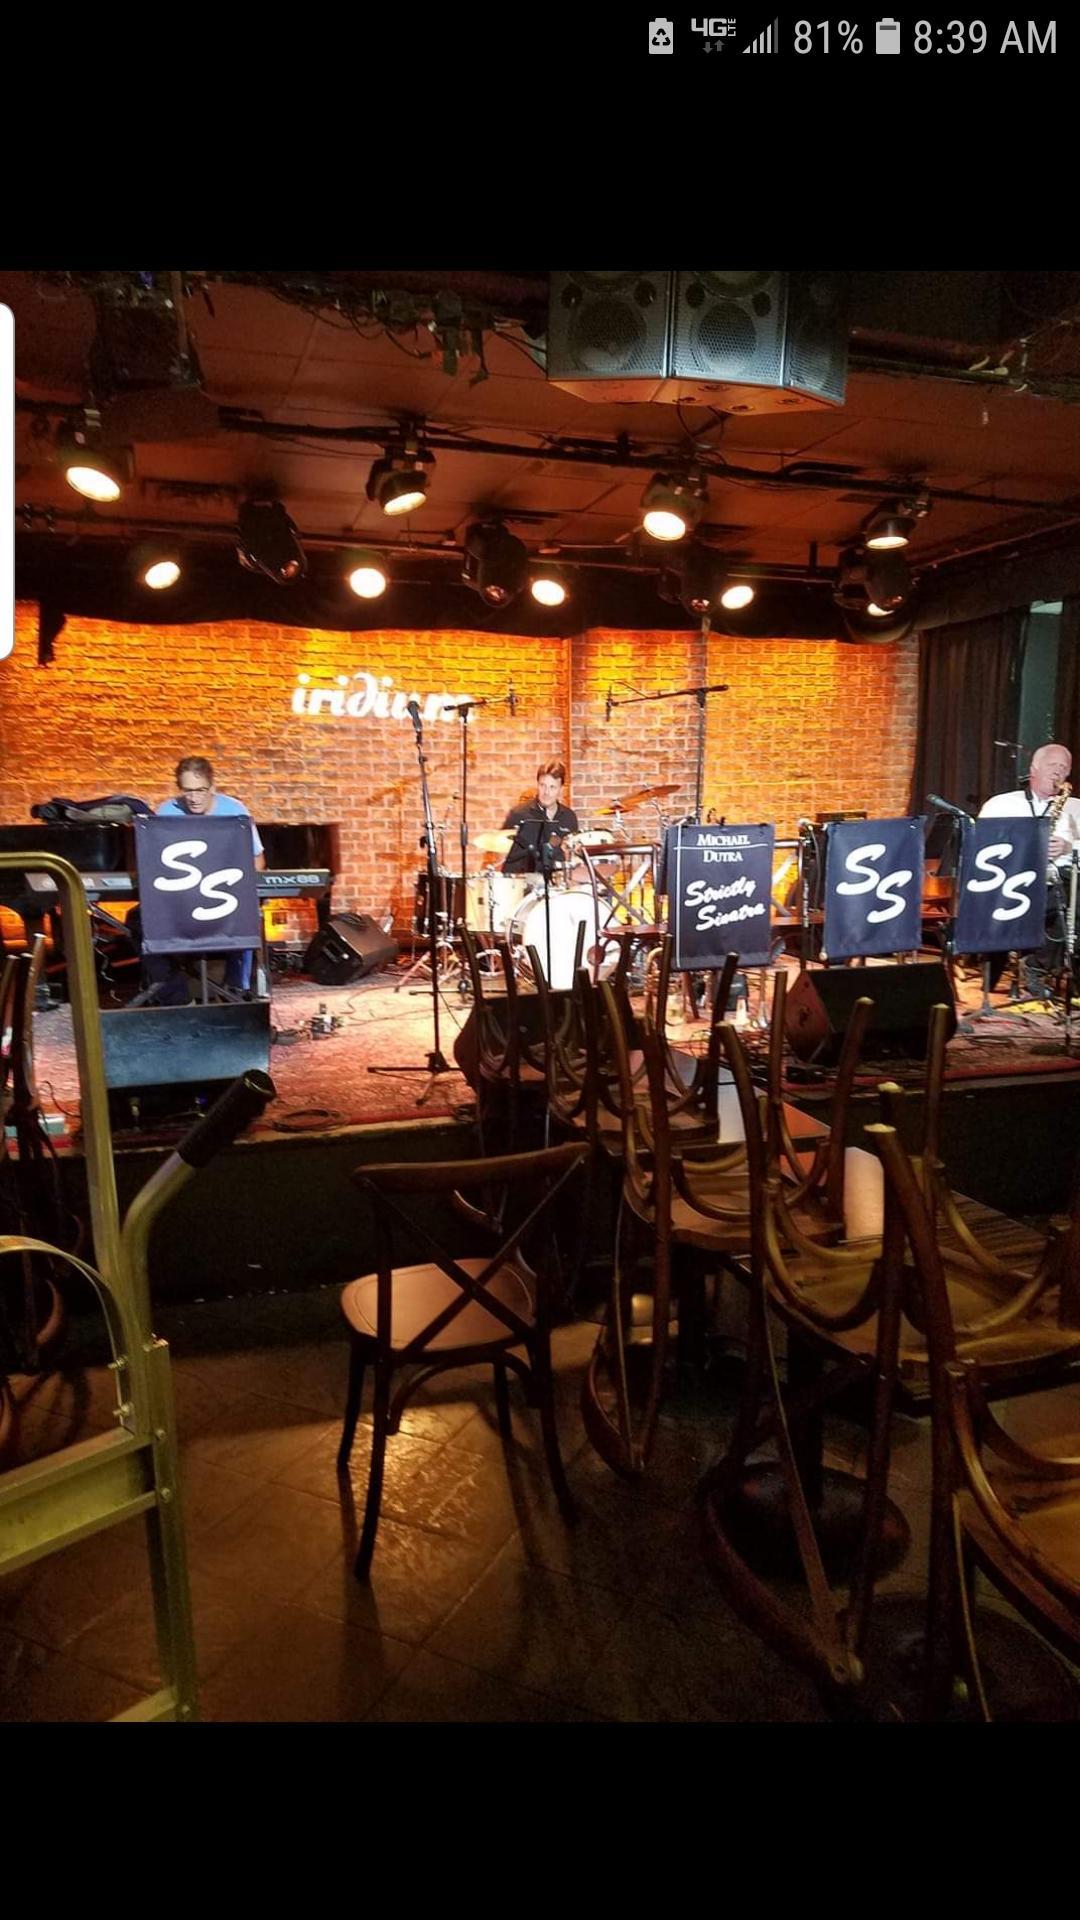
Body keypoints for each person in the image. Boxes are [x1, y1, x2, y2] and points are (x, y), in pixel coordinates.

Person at [140, 757, 266, 1002]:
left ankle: (235, 991)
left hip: (223, 897)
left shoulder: (235, 811)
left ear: (212, 787)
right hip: (181, 901)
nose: (194, 797)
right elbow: (154, 864)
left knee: (247, 916)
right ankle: (174, 997)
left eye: (200, 790)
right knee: (140, 920)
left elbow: (257, 861)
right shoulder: (166, 812)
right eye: (188, 791)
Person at [979, 742, 1080, 998]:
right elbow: (985, 845)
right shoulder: (1001, 804)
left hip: (1061, 882)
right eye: (1052, 765)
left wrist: (1068, 846)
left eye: (1063, 767)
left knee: (1069, 895)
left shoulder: (1076, 808)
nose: (1058, 771)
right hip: (1010, 882)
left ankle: (1038, 966)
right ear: (1033, 769)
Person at [501, 760, 580, 876]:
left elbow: (572, 855)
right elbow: (501, 845)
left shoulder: (569, 817)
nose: (546, 792)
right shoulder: (518, 814)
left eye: (552, 787)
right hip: (522, 880)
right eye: (543, 785)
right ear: (537, 784)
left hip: (556, 880)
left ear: (561, 789)